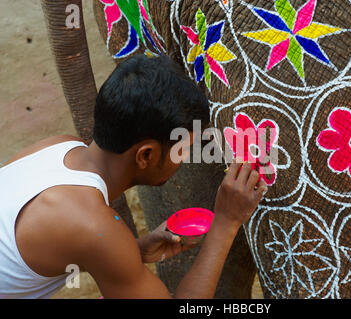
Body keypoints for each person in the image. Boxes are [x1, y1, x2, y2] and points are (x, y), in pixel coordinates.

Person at [0, 54, 267, 298]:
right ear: (146, 155)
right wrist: (226, 221)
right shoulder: (95, 227)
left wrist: (133, 251)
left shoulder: (58, 147)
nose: (185, 159)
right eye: (183, 149)